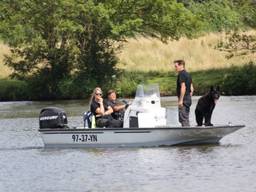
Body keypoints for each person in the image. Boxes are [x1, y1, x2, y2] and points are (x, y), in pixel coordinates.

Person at [174, 60, 194, 127]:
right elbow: (192, 89)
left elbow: (183, 87)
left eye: (176, 66)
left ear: (181, 65)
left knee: (183, 118)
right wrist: (188, 96)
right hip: (188, 98)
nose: (175, 68)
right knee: (185, 117)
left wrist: (181, 100)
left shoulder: (181, 74)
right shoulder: (188, 74)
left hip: (184, 99)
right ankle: (188, 132)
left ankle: (187, 134)